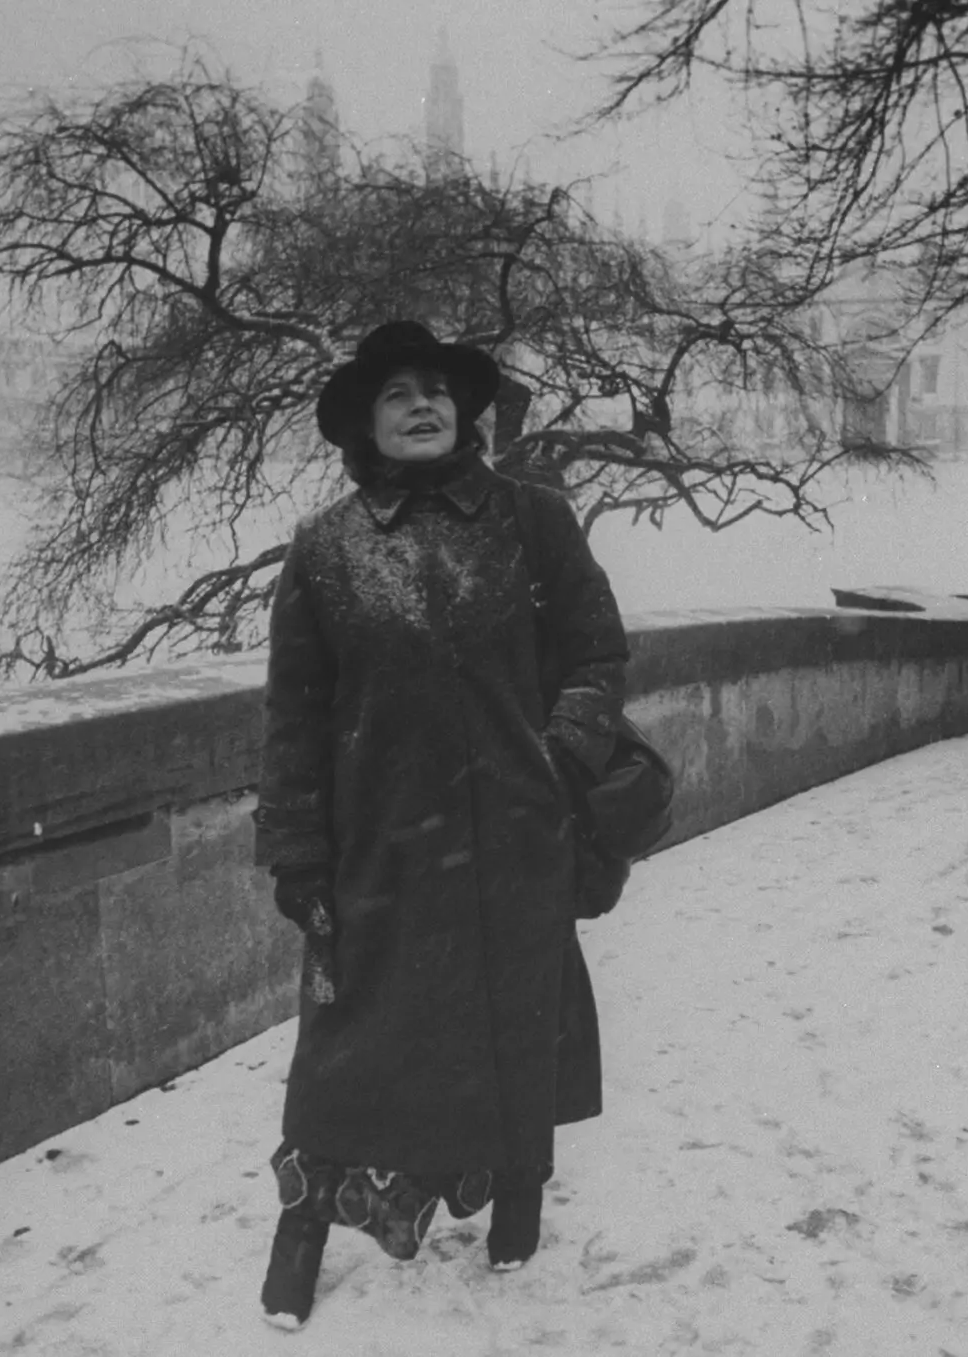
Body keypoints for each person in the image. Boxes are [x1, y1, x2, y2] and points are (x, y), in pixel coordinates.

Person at [253, 320, 630, 1328]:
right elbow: (292, 717)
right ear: (364, 423)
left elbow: (597, 654)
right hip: (378, 854)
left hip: (514, 842)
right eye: (395, 394)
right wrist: (297, 852)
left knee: (515, 1028)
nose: (421, 405)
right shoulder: (324, 549)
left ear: (464, 411)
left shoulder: (533, 520)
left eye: (436, 390)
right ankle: (300, 1239)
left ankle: (514, 1203)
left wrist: (557, 761)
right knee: (344, 1049)